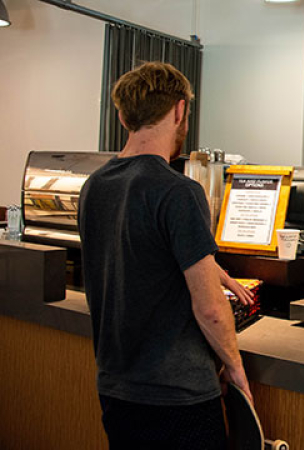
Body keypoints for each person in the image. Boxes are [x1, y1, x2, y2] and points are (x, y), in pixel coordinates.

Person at [78, 61, 253, 449]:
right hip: (177, 397)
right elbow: (209, 309)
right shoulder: (179, 192)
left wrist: (205, 265)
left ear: (123, 116)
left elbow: (134, 258)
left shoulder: (95, 185)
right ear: (179, 111)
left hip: (115, 389)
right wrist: (235, 368)